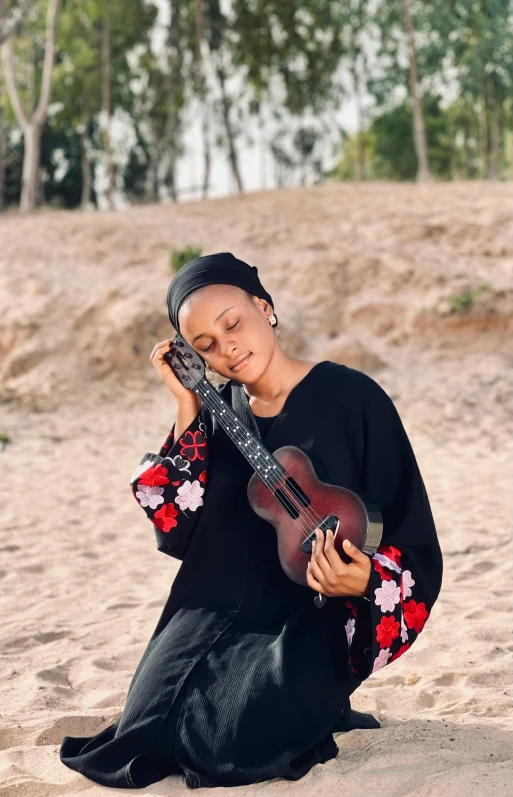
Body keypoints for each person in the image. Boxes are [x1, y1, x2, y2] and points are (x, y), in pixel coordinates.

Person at [60, 252, 443, 789]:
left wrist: (364, 581)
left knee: (231, 740)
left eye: (232, 324)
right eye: (205, 346)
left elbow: (409, 529)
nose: (228, 347)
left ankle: (309, 701)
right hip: (209, 608)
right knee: (149, 728)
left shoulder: (353, 398)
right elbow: (176, 518)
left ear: (264, 308)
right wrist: (187, 403)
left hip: (305, 617)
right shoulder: (218, 413)